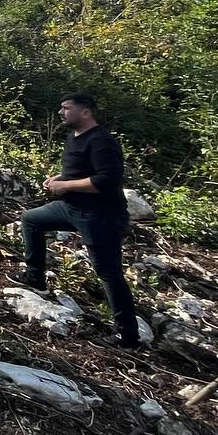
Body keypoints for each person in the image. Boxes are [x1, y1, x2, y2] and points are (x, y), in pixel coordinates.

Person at [16, 94, 141, 349]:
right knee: (31, 220)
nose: (61, 112)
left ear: (86, 113)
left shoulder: (102, 141)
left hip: (101, 216)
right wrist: (58, 177)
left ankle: (128, 338)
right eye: (61, 107)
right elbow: (82, 171)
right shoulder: (74, 137)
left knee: (108, 273)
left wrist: (65, 185)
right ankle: (35, 278)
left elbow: (106, 181)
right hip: (69, 207)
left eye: (66, 108)